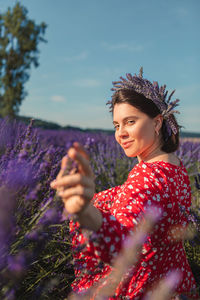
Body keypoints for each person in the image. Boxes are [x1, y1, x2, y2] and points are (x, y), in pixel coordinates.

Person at [51, 68, 198, 299]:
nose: (121, 134)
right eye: (116, 125)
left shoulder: (146, 176)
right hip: (177, 285)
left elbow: (123, 246)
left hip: (141, 289)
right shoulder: (174, 166)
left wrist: (84, 211)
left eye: (130, 122)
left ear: (157, 123)